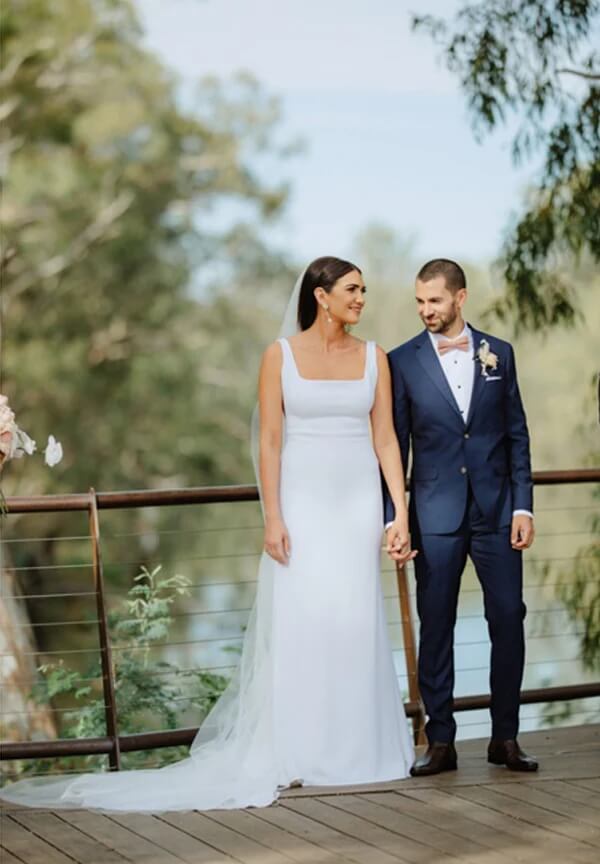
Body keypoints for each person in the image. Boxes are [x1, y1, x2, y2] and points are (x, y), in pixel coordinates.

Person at [0, 256, 415, 812]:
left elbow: (386, 438)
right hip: (302, 505)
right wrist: (273, 515)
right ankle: (302, 749)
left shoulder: (376, 359)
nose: (362, 298)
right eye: (352, 289)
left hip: (358, 504)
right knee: (304, 620)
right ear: (321, 296)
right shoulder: (281, 356)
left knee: (356, 616)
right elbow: (270, 440)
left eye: (363, 289)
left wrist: (400, 512)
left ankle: (360, 749)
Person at [385, 258, 539, 776]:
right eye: (420, 302)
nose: (427, 311)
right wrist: (396, 518)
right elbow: (394, 449)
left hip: (497, 513)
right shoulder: (400, 362)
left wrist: (523, 505)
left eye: (435, 300)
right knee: (437, 628)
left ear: (460, 298)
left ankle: (505, 738)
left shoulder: (500, 354)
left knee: (508, 621)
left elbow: (517, 434)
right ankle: (442, 743)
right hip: (434, 514)